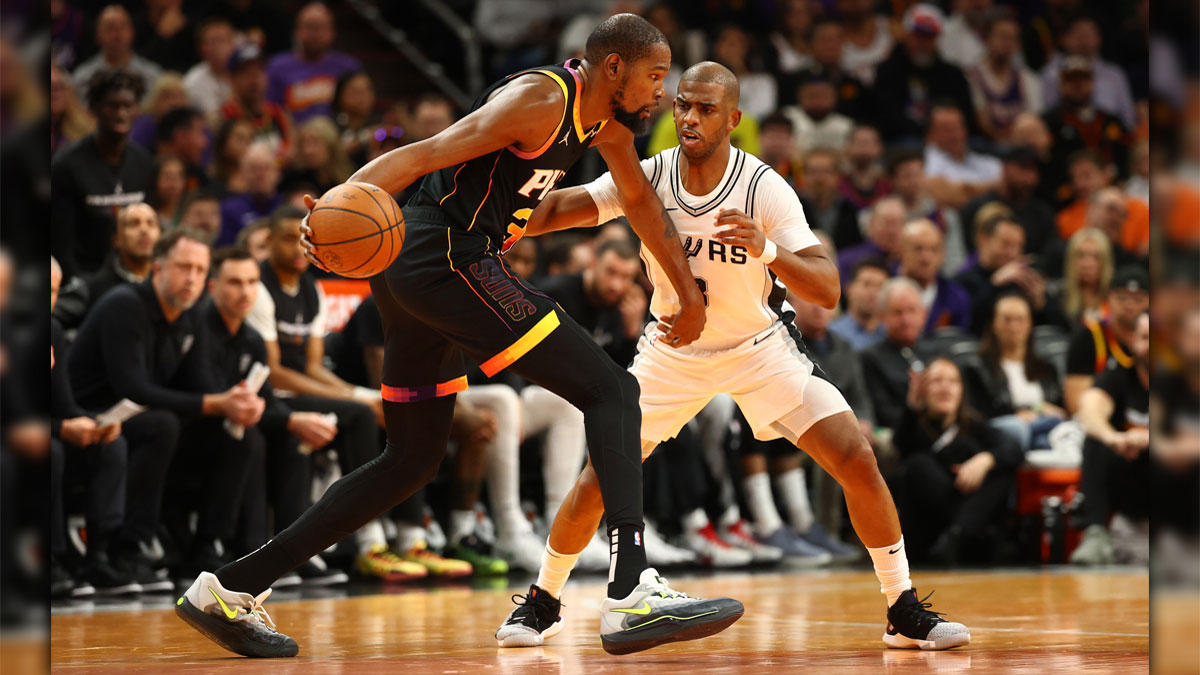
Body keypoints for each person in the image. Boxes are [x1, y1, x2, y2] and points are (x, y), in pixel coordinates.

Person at [177, 16, 741, 658]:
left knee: (412, 459)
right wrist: (343, 199)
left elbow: (638, 202)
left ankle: (227, 589)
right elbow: (426, 152)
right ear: (613, 68)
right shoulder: (541, 99)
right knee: (612, 389)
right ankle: (632, 586)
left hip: (425, 270)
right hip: (443, 256)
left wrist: (688, 293)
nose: (662, 94)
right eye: (657, 77)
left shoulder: (605, 127)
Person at [496, 61, 970, 652]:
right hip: (674, 350)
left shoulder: (762, 186)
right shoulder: (650, 176)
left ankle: (901, 608)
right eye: (683, 106)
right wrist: (493, 200)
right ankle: (543, 601)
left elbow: (827, 288)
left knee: (856, 456)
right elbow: (556, 212)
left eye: (705, 109)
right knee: (598, 480)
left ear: (734, 119)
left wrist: (767, 248)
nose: (690, 117)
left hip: (759, 347)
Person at [67, 228, 266, 588]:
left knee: (238, 434)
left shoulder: (191, 314)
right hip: (92, 417)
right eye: (183, 267)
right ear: (157, 268)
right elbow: (133, 389)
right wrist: (215, 403)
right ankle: (129, 547)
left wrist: (238, 403)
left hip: (148, 421)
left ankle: (207, 547)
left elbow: (200, 383)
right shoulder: (124, 304)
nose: (191, 278)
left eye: (199, 270)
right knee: (163, 424)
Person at [201, 246, 346, 585]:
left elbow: (263, 398)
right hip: (197, 427)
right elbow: (203, 392)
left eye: (252, 282)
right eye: (235, 282)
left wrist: (296, 422)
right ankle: (243, 551)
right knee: (251, 438)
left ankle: (288, 553)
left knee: (291, 437)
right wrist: (283, 418)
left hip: (235, 422)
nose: (245, 291)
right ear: (213, 287)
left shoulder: (251, 338)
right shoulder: (200, 328)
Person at [50, 257, 135, 596]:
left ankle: (99, 555)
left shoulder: (52, 330)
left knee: (111, 443)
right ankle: (50, 560)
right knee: (50, 450)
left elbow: (65, 405)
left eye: (53, 290)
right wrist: (59, 430)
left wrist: (93, 425)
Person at [891, 357, 1022, 564]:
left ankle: (956, 536)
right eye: (937, 381)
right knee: (918, 463)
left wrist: (985, 460)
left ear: (962, 390)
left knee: (1000, 470)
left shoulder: (973, 424)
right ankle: (953, 536)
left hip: (967, 527)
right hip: (929, 526)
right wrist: (912, 407)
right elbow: (902, 446)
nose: (945, 388)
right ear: (923, 389)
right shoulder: (913, 425)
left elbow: (1014, 449)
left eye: (952, 381)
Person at [52, 70, 154, 280]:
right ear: (95, 108)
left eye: (128, 106)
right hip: (84, 278)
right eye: (113, 106)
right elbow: (60, 242)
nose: (121, 113)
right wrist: (79, 286)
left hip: (135, 276)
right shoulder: (67, 165)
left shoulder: (144, 162)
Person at [1070, 312, 1150, 565]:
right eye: (1147, 338)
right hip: (1129, 476)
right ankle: (1095, 532)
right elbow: (1089, 407)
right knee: (1094, 439)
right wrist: (1113, 438)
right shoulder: (1118, 376)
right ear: (1133, 341)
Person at [967, 293, 1066, 451]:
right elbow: (981, 415)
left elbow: (1059, 409)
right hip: (1007, 435)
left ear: (1029, 324)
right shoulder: (978, 368)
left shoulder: (1047, 368)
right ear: (994, 324)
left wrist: (1038, 409)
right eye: (1007, 319)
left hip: (1048, 429)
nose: (1014, 326)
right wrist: (1021, 414)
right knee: (1026, 432)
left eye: (1020, 319)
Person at [872, 4, 974, 142]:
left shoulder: (952, 74)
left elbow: (964, 113)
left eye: (929, 36)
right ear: (907, 35)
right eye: (918, 35)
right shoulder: (887, 70)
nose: (923, 42)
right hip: (899, 140)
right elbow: (884, 114)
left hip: (945, 140)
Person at [1042, 58, 1131, 206]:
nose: (1078, 86)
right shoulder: (1050, 123)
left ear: (1092, 83)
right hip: (1068, 199)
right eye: (1071, 81)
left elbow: (1126, 153)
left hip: (1115, 193)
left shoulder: (1110, 120)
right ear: (1062, 85)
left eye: (1083, 79)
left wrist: (1119, 178)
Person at [1063, 265, 1148, 414]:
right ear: (1110, 298)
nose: (1129, 305)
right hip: (1101, 420)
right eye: (1123, 297)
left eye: (1138, 299)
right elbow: (1075, 405)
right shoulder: (1088, 337)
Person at [954, 215, 1058, 334]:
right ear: (984, 240)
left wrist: (1040, 304)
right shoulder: (962, 282)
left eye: (1018, 246)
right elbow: (966, 324)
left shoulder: (1024, 282)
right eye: (1005, 244)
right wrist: (994, 285)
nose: (1012, 253)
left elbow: (1057, 330)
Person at [959, 146, 1059, 264]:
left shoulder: (1043, 214)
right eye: (1024, 168)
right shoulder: (975, 209)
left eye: (1035, 171)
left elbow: (1050, 257)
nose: (1030, 179)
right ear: (1005, 168)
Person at [266, 2, 362, 124]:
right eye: (309, 27)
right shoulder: (277, 67)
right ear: (297, 31)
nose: (315, 34)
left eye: (320, 27)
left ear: (332, 32)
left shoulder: (349, 67)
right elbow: (270, 111)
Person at [861, 277, 936, 430]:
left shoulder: (937, 351)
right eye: (897, 312)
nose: (906, 320)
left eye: (912, 310)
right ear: (882, 316)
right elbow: (884, 415)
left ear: (923, 314)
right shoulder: (870, 358)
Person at [1039, 17, 1136, 130]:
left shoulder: (1115, 74)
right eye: (1078, 35)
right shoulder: (1051, 72)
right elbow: (1046, 114)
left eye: (1088, 35)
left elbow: (1128, 121)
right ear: (1064, 39)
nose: (1084, 41)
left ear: (1099, 39)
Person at [964, 11, 1043, 143]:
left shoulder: (1028, 78)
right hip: (988, 148)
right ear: (986, 38)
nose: (1008, 43)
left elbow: (1035, 120)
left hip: (1022, 149)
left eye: (1013, 38)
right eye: (1003, 37)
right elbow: (984, 124)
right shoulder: (972, 77)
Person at [72, 5, 162, 104]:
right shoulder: (82, 78)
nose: (117, 34)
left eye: (122, 27)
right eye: (110, 28)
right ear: (97, 35)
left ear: (132, 32)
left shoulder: (153, 75)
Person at [922, 103, 1001, 210]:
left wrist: (967, 189)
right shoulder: (925, 161)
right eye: (946, 129)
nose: (955, 135)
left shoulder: (982, 160)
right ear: (931, 134)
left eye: (958, 127)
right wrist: (990, 187)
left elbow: (1005, 183)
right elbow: (943, 195)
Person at [898, 219, 971, 335]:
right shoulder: (883, 289)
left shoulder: (956, 297)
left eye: (934, 250)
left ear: (942, 255)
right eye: (918, 248)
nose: (926, 257)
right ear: (902, 251)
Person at [221, 43, 292, 158]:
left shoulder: (278, 113)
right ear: (232, 79)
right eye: (246, 73)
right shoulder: (223, 117)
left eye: (259, 71)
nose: (254, 79)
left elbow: (291, 151)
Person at [218, 143, 282, 245]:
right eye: (254, 168)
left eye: (266, 168)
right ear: (242, 173)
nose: (260, 174)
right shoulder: (229, 210)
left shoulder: (286, 207)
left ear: (277, 173)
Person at [798, 148, 861, 252]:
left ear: (837, 176)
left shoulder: (848, 210)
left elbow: (855, 249)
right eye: (813, 172)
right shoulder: (793, 208)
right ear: (804, 176)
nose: (819, 178)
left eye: (826, 172)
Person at [837, 195, 905, 284]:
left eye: (897, 223)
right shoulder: (847, 260)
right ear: (871, 225)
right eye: (886, 223)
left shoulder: (909, 262)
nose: (892, 231)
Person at [780, 75, 854, 155]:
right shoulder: (786, 118)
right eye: (812, 95)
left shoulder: (846, 126)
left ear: (834, 98)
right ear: (800, 96)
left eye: (823, 95)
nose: (817, 100)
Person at [829, 257, 889, 351]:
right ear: (848, 289)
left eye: (880, 286)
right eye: (866, 284)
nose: (873, 292)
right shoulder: (833, 334)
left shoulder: (890, 333)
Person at [1059, 227, 1114, 325]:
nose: (1087, 264)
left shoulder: (1115, 300)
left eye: (1095, 257)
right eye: (1080, 255)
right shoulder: (1060, 299)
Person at [183, 17, 236, 116]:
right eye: (215, 41)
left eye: (225, 40)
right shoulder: (194, 82)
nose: (221, 47)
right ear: (201, 48)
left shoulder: (245, 71)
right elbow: (213, 122)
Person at [838, 125, 889, 212]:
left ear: (880, 148)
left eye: (869, 143)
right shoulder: (837, 180)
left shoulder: (888, 182)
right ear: (847, 147)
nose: (864, 148)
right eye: (859, 143)